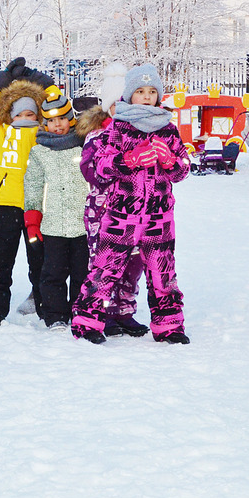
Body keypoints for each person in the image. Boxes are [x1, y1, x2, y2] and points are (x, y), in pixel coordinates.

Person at [71, 64, 190, 345]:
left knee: (163, 273)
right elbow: (99, 166)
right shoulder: (117, 130)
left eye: (152, 92)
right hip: (121, 214)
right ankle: (87, 322)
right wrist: (129, 160)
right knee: (105, 268)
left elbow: (184, 168)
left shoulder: (168, 130)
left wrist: (171, 161)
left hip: (159, 217)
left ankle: (169, 326)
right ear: (129, 95)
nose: (147, 97)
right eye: (140, 91)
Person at [0, 58, 54, 326]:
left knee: (41, 263)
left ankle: (47, 309)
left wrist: (42, 82)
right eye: (19, 114)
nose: (25, 118)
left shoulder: (44, 134)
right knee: (0, 262)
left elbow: (58, 107)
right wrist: (2, 79)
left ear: (38, 116)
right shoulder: (0, 132)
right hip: (7, 205)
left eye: (30, 114)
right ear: (10, 116)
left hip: (37, 206)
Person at [79, 87, 147, 339]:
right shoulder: (97, 137)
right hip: (104, 211)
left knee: (134, 262)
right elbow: (91, 171)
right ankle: (102, 313)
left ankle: (124, 311)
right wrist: (124, 160)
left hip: (137, 212)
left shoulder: (144, 135)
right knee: (105, 264)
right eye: (116, 106)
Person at [23, 93, 90, 330]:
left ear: (71, 118)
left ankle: (81, 312)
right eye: (51, 120)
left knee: (83, 274)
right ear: (45, 124)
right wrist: (32, 218)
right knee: (52, 274)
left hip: (83, 226)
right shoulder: (39, 152)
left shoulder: (84, 145)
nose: (57, 124)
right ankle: (55, 315)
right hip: (52, 226)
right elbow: (32, 185)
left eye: (61, 118)